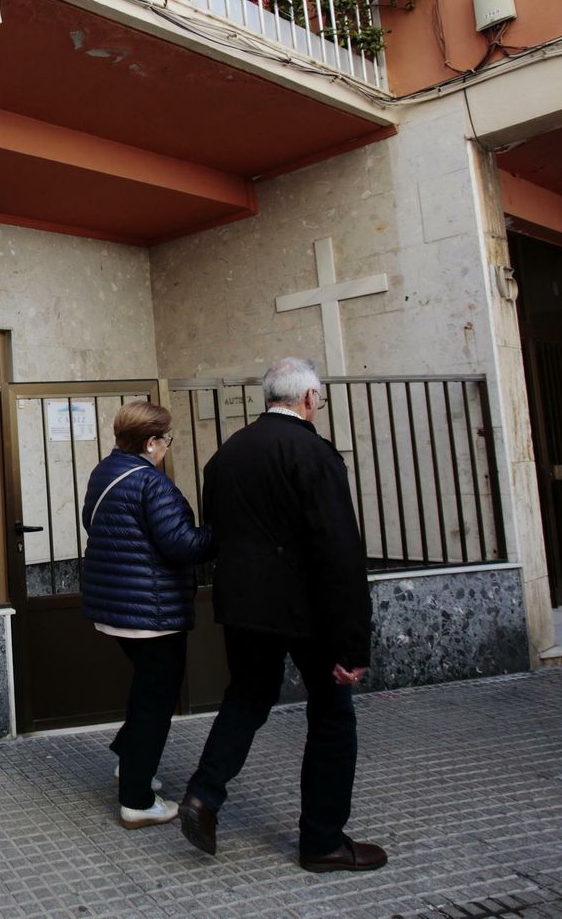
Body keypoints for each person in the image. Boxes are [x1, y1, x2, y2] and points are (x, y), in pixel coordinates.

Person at [175, 357, 383, 872]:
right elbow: (339, 551)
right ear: (309, 398)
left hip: (245, 607)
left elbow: (223, 534)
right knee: (333, 716)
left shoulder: (226, 455)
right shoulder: (313, 453)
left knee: (247, 698)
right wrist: (353, 643)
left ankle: (203, 795)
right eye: (321, 399)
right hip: (308, 610)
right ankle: (322, 840)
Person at [81, 399, 215, 830]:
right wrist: (220, 528)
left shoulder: (106, 471)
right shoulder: (151, 484)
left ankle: (130, 762)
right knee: (157, 698)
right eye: (166, 439)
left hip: (116, 606)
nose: (167, 447)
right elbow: (184, 546)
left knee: (147, 688)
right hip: (150, 612)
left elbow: (92, 522)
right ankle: (137, 800)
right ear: (152, 442)